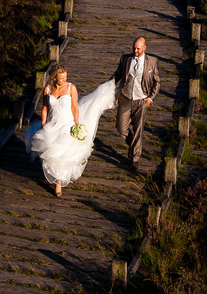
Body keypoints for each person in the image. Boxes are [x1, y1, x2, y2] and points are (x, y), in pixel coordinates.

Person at [25, 64, 115, 196]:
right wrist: (43, 124)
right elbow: (45, 108)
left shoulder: (71, 88)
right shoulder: (47, 90)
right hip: (52, 124)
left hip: (67, 124)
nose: (64, 79)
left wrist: (77, 124)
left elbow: (74, 108)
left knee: (63, 155)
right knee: (50, 153)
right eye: (61, 78)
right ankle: (54, 175)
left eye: (65, 77)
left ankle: (58, 183)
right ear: (54, 78)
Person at [112, 36, 160, 172]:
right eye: (134, 47)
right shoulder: (125, 58)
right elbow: (117, 74)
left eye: (138, 48)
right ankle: (134, 146)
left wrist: (150, 98)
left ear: (145, 48)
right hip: (125, 98)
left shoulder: (152, 61)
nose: (135, 50)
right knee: (121, 128)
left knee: (139, 130)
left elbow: (157, 82)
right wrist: (107, 86)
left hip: (141, 100)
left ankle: (135, 159)